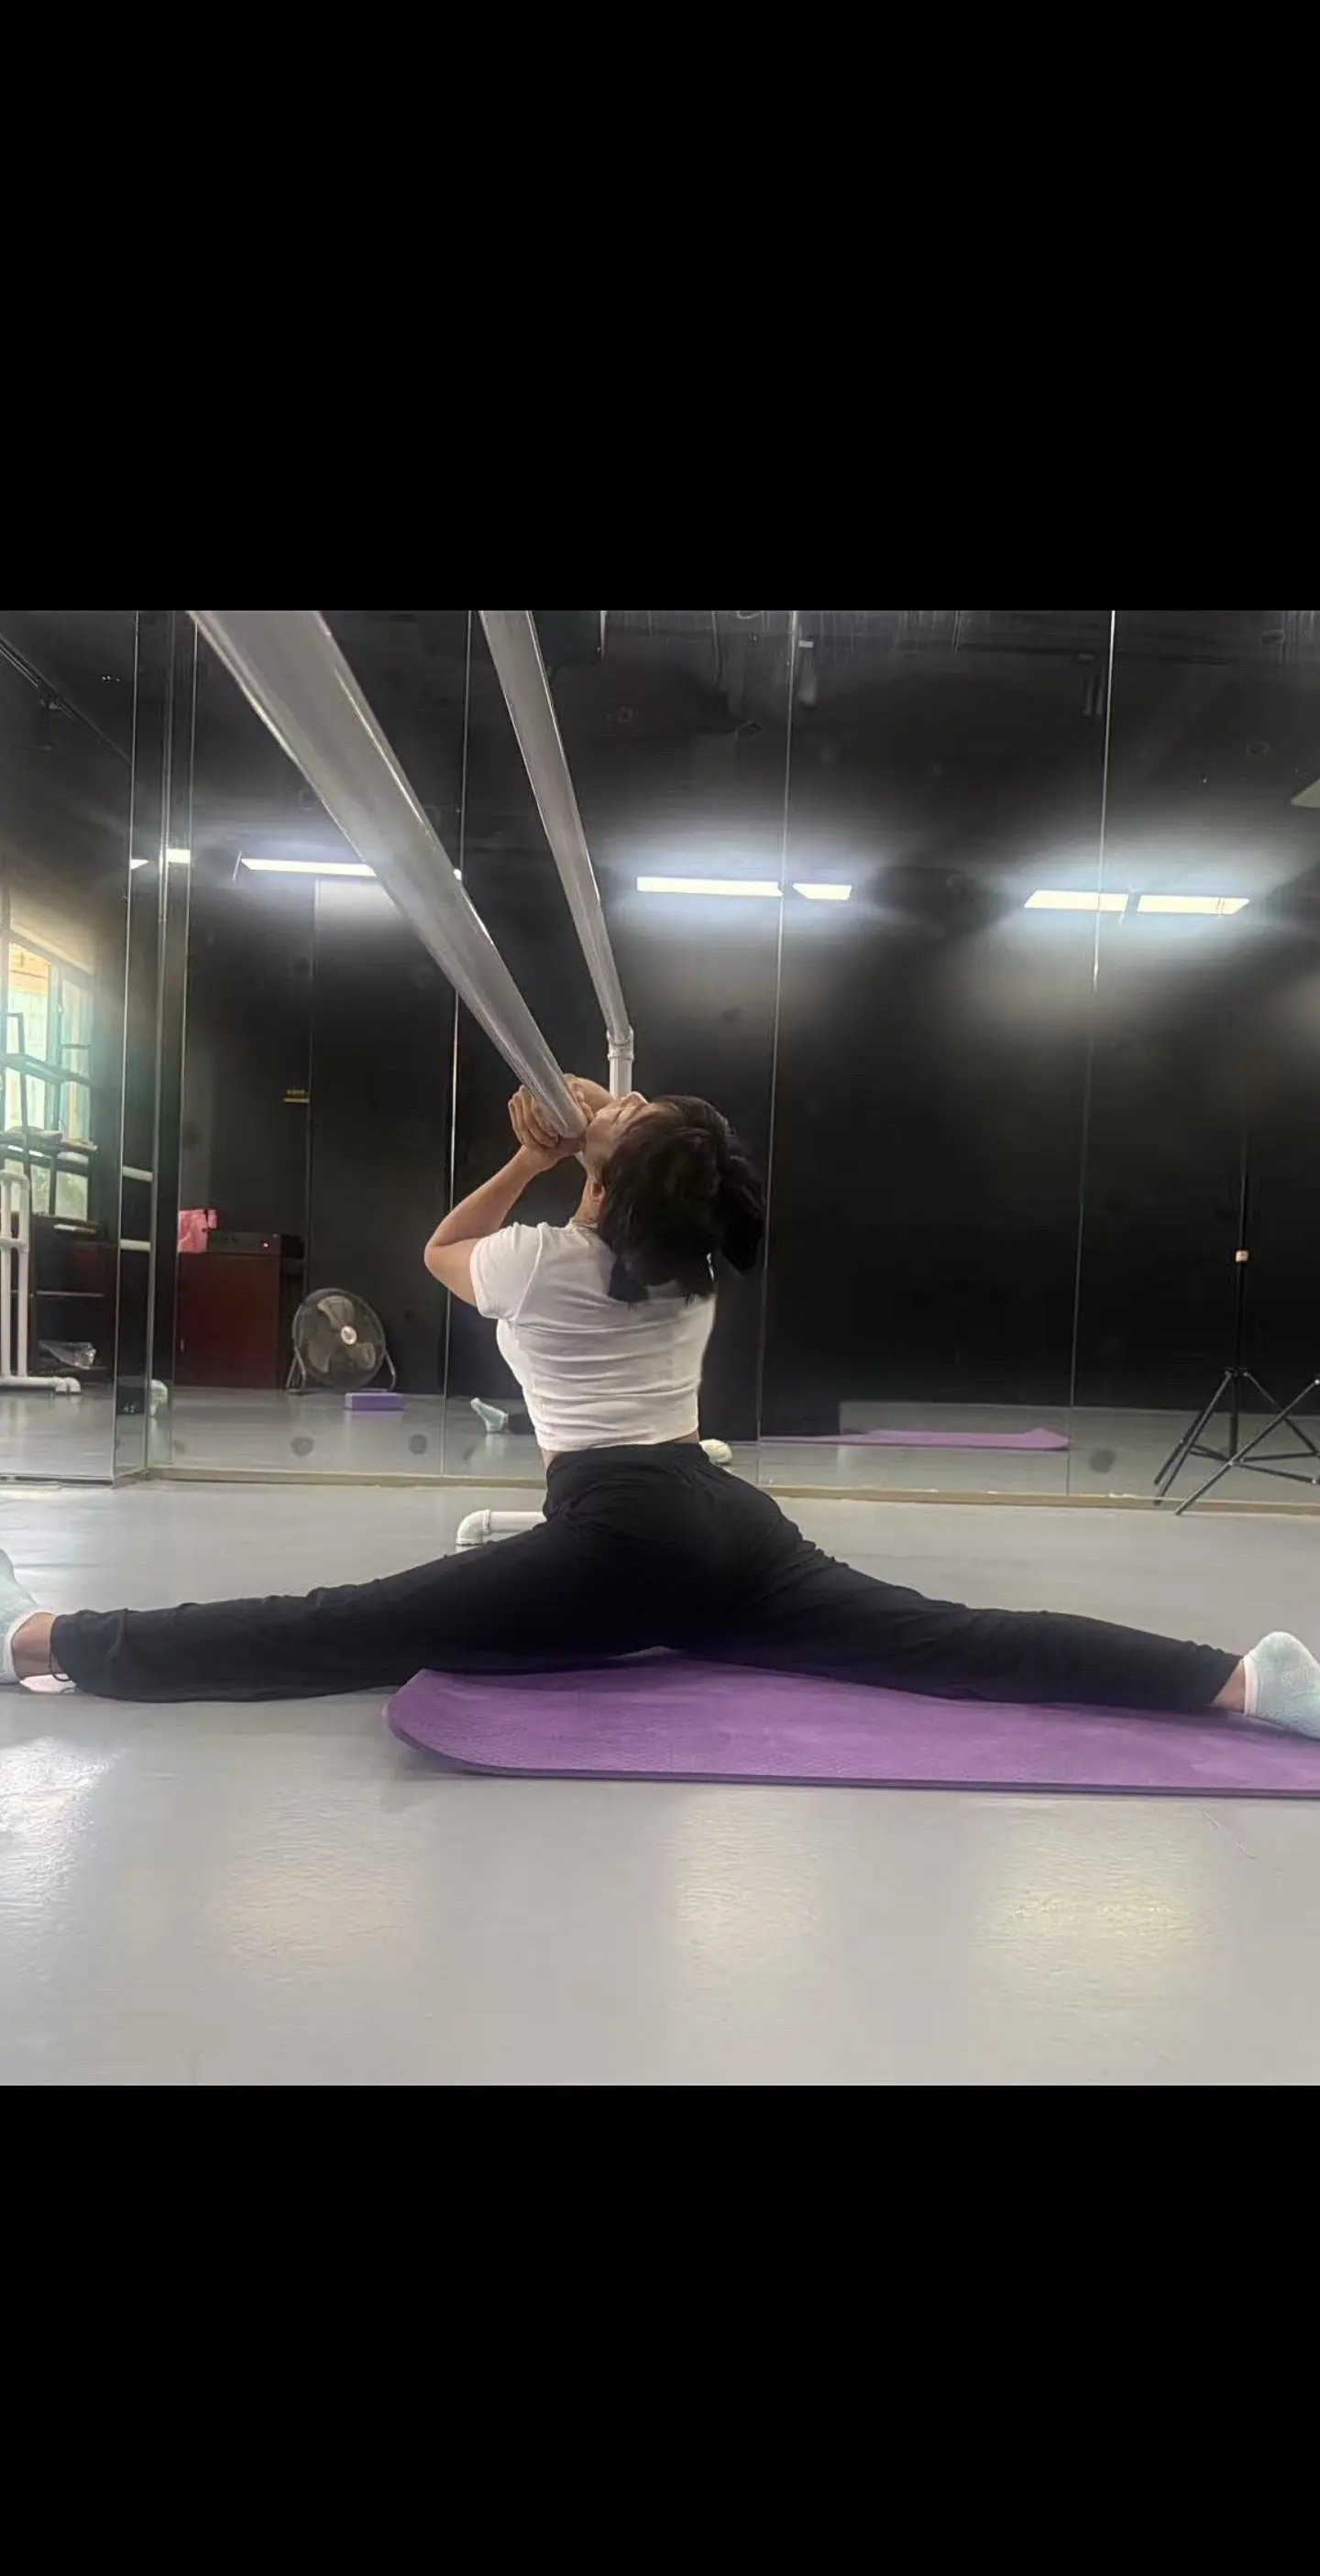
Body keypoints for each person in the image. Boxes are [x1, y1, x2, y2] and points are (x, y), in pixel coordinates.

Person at [3, 1076, 1319, 1736]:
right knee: (959, 1640)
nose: (615, 1102)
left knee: (339, 1627)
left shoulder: (544, 1261)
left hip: (624, 1541)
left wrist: (528, 1152)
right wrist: (596, 1142)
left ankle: (44, 1637)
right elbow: (649, 1187)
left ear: (608, 1180)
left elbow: (439, 1248)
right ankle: (1243, 1682)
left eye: (626, 1114)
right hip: (724, 1520)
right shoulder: (687, 1264)